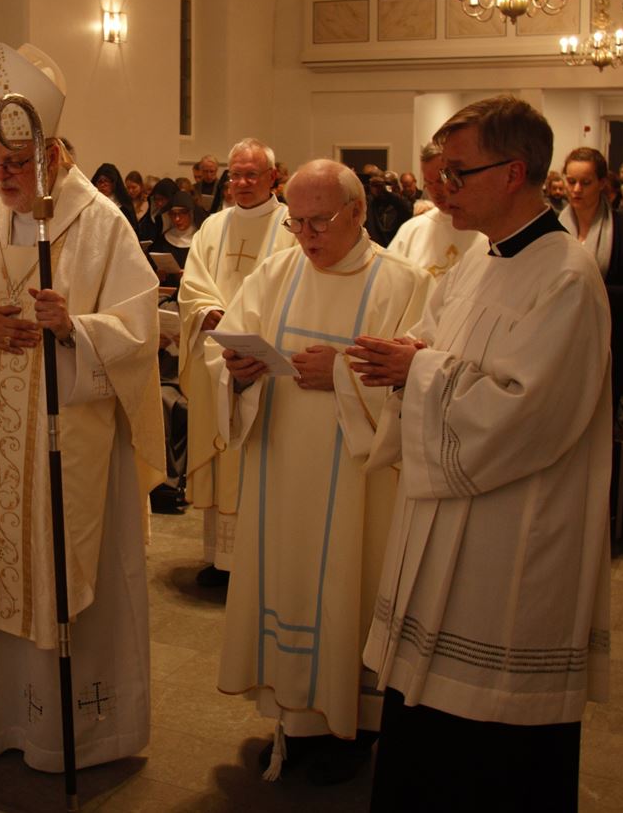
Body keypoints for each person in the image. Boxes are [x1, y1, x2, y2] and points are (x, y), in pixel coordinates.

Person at [350, 96, 611, 811]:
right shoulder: (476, 261)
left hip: (511, 538)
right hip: (447, 528)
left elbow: (529, 409)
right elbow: (440, 345)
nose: (444, 188)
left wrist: (420, 371)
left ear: (515, 171)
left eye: (459, 172)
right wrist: (412, 354)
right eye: (440, 171)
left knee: (488, 759)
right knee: (424, 734)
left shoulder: (566, 276)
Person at [0, 42, 164, 771]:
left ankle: (74, 735)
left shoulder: (100, 225)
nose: (1, 178)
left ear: (54, 154)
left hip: (68, 439)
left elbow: (141, 327)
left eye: (15, 165)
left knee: (63, 574)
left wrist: (76, 327)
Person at [217, 160, 428, 785]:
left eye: (319, 222)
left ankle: (352, 727)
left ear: (358, 213)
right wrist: (237, 371)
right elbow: (231, 343)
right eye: (296, 221)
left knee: (345, 586)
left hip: (358, 486)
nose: (305, 236)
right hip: (279, 469)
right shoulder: (277, 271)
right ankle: (293, 718)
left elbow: (418, 380)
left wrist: (338, 373)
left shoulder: (405, 282)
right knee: (285, 577)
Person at [176, 137, 290, 587]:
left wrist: (250, 329)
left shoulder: (290, 225)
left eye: (251, 174)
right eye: (235, 174)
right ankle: (220, 558)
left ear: (272, 178)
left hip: (263, 359)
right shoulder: (214, 227)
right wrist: (210, 314)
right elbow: (194, 285)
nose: (241, 183)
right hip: (216, 353)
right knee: (223, 454)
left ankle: (259, 560)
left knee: (259, 453)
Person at [561, 147, 623, 535]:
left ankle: (600, 521)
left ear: (603, 184)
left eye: (585, 181)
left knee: (601, 440)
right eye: (570, 181)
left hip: (610, 345)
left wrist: (585, 288)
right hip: (560, 346)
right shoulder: (552, 225)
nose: (576, 189)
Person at [387, 142, 487, 279]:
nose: (435, 191)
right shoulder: (411, 231)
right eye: (429, 182)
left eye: (441, 180)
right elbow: (390, 282)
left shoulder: (488, 227)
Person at [147, 190, 199, 292]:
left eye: (181, 214)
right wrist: (158, 275)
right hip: (167, 293)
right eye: (173, 214)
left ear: (191, 214)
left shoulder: (200, 239)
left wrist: (190, 276)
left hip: (193, 292)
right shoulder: (163, 240)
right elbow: (151, 272)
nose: (177, 219)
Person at [362, 168, 412, 247]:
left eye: (387, 184)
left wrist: (386, 193)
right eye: (380, 185)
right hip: (376, 249)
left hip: (395, 248)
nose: (382, 188)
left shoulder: (401, 203)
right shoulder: (371, 203)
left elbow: (406, 210)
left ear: (396, 187)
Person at [90, 163, 137, 227]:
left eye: (106, 181)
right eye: (100, 181)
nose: (103, 185)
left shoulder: (124, 206)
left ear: (114, 183)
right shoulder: (92, 203)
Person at [136, 177, 177, 244]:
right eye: (156, 199)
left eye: (162, 199)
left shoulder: (182, 215)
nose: (159, 203)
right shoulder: (154, 216)